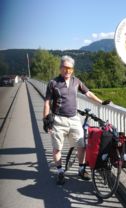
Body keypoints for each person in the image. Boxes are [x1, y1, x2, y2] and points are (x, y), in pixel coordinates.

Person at [43, 55, 110, 185]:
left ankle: (81, 169)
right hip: (58, 120)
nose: (67, 71)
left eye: (70, 69)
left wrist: (101, 102)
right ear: (60, 68)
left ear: (72, 70)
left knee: (81, 145)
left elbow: (88, 93)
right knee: (57, 148)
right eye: (65, 68)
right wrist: (46, 119)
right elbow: (47, 102)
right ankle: (60, 172)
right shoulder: (53, 83)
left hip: (74, 119)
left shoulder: (76, 81)